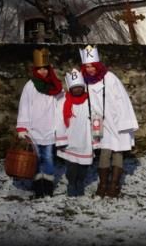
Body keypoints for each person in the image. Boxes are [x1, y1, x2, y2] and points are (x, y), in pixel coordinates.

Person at [80, 44, 138, 198]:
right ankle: (103, 183)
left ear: (97, 65)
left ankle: (114, 184)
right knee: (105, 151)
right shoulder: (85, 81)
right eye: (87, 67)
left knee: (118, 150)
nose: (90, 69)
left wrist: (123, 121)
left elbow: (122, 99)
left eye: (92, 66)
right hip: (99, 121)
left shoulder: (110, 77)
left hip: (115, 119)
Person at [16, 47, 63, 198]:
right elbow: (24, 106)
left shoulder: (54, 86)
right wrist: (22, 127)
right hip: (34, 129)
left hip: (50, 129)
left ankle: (48, 188)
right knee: (36, 160)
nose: (43, 72)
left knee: (48, 158)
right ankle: (38, 188)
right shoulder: (30, 86)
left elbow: (61, 105)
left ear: (49, 69)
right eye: (40, 69)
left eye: (45, 69)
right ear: (36, 70)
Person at [55, 68, 97, 197]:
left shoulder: (90, 101)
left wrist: (97, 139)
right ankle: (72, 184)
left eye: (80, 87)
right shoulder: (63, 101)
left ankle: (80, 182)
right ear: (70, 88)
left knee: (84, 167)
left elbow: (97, 117)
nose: (77, 89)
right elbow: (59, 120)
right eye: (75, 87)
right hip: (70, 140)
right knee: (72, 167)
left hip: (86, 140)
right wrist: (61, 139)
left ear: (83, 87)